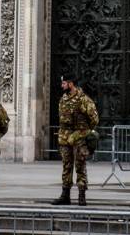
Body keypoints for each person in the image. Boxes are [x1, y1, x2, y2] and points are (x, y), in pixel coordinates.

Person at [52, 74, 99, 207]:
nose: (62, 86)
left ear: (71, 84)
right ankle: (65, 194)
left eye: (64, 83)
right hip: (65, 137)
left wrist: (83, 131)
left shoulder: (84, 99)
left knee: (80, 166)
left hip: (79, 137)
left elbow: (95, 120)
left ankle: (81, 195)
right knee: (66, 166)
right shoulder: (63, 99)